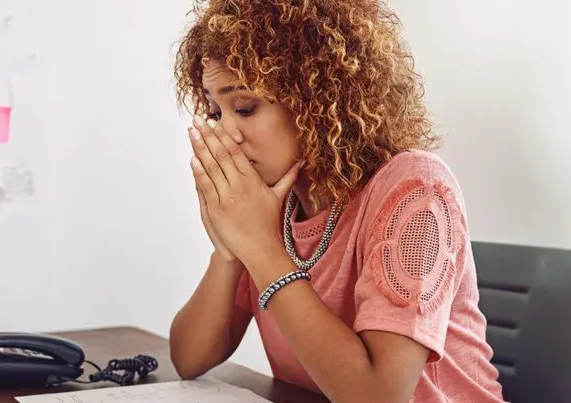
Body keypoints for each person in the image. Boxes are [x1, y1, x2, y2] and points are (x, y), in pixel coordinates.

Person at [168, 1, 505, 402]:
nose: (226, 134)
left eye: (244, 107)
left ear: (315, 96)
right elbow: (189, 358)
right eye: (214, 112)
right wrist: (228, 250)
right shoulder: (271, 208)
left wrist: (259, 247)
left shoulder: (417, 190)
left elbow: (379, 396)